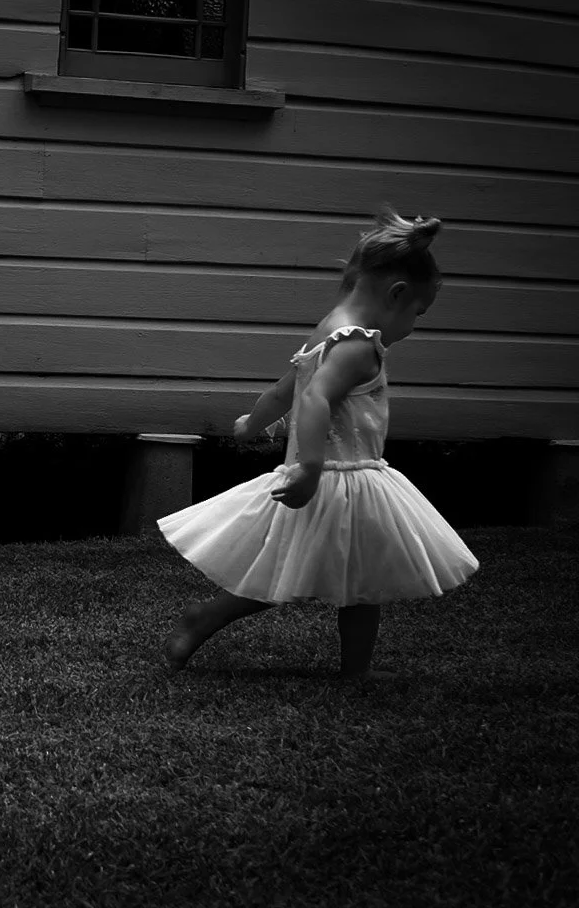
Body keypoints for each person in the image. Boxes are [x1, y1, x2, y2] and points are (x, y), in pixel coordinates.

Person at [158, 207, 479, 678]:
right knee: (311, 576)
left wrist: (254, 421)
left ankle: (352, 668)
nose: (414, 326)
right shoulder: (359, 346)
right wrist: (309, 470)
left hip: (340, 480)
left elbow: (288, 386)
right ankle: (204, 617)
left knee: (351, 579)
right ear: (397, 294)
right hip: (338, 478)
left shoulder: (331, 326)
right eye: (418, 313)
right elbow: (313, 400)